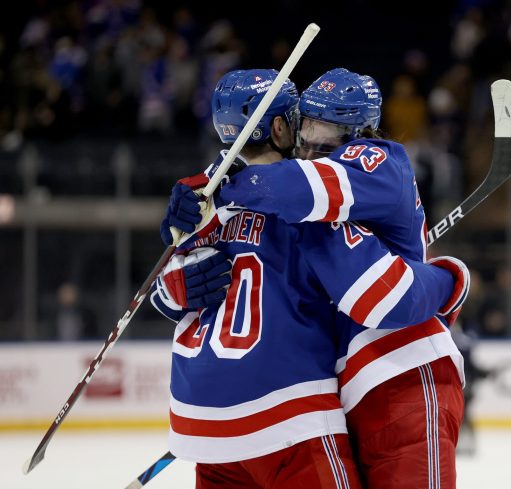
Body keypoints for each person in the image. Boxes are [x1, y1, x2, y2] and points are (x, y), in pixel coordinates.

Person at [152, 69, 470, 489]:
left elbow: (382, 299)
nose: (313, 144)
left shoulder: (370, 164)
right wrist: (176, 282)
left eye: (328, 132)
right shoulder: (273, 196)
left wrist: (449, 281)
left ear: (361, 133)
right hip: (341, 390)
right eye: (309, 127)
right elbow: (183, 293)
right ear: (289, 125)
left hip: (400, 372)